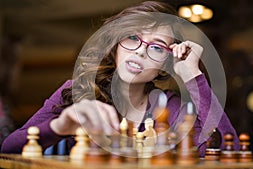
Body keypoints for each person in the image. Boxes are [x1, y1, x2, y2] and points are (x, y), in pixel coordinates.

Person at [0, 1, 239, 157]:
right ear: (115, 46)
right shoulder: (75, 91)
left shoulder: (171, 106)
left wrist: (191, 74)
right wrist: (59, 127)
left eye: (156, 48)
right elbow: (9, 147)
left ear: (163, 65)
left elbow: (231, 151)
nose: (140, 51)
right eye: (133, 38)